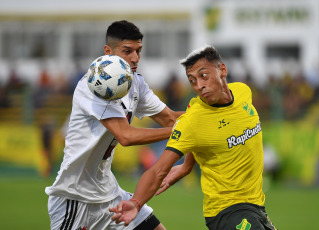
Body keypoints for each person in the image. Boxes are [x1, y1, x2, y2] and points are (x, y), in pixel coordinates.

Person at [109, 45, 277, 230]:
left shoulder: (243, 92)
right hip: (227, 211)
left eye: (203, 76)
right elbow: (158, 170)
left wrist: (187, 166)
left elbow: (208, 138)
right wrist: (136, 203)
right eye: (192, 80)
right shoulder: (193, 120)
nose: (199, 85)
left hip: (257, 206)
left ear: (222, 70)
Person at [45, 20, 183, 230]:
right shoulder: (95, 85)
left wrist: (207, 114)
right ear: (107, 51)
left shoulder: (135, 82)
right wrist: (179, 132)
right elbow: (126, 136)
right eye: (127, 51)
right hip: (75, 198)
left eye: (139, 51)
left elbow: (171, 118)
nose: (135, 58)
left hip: (109, 194)